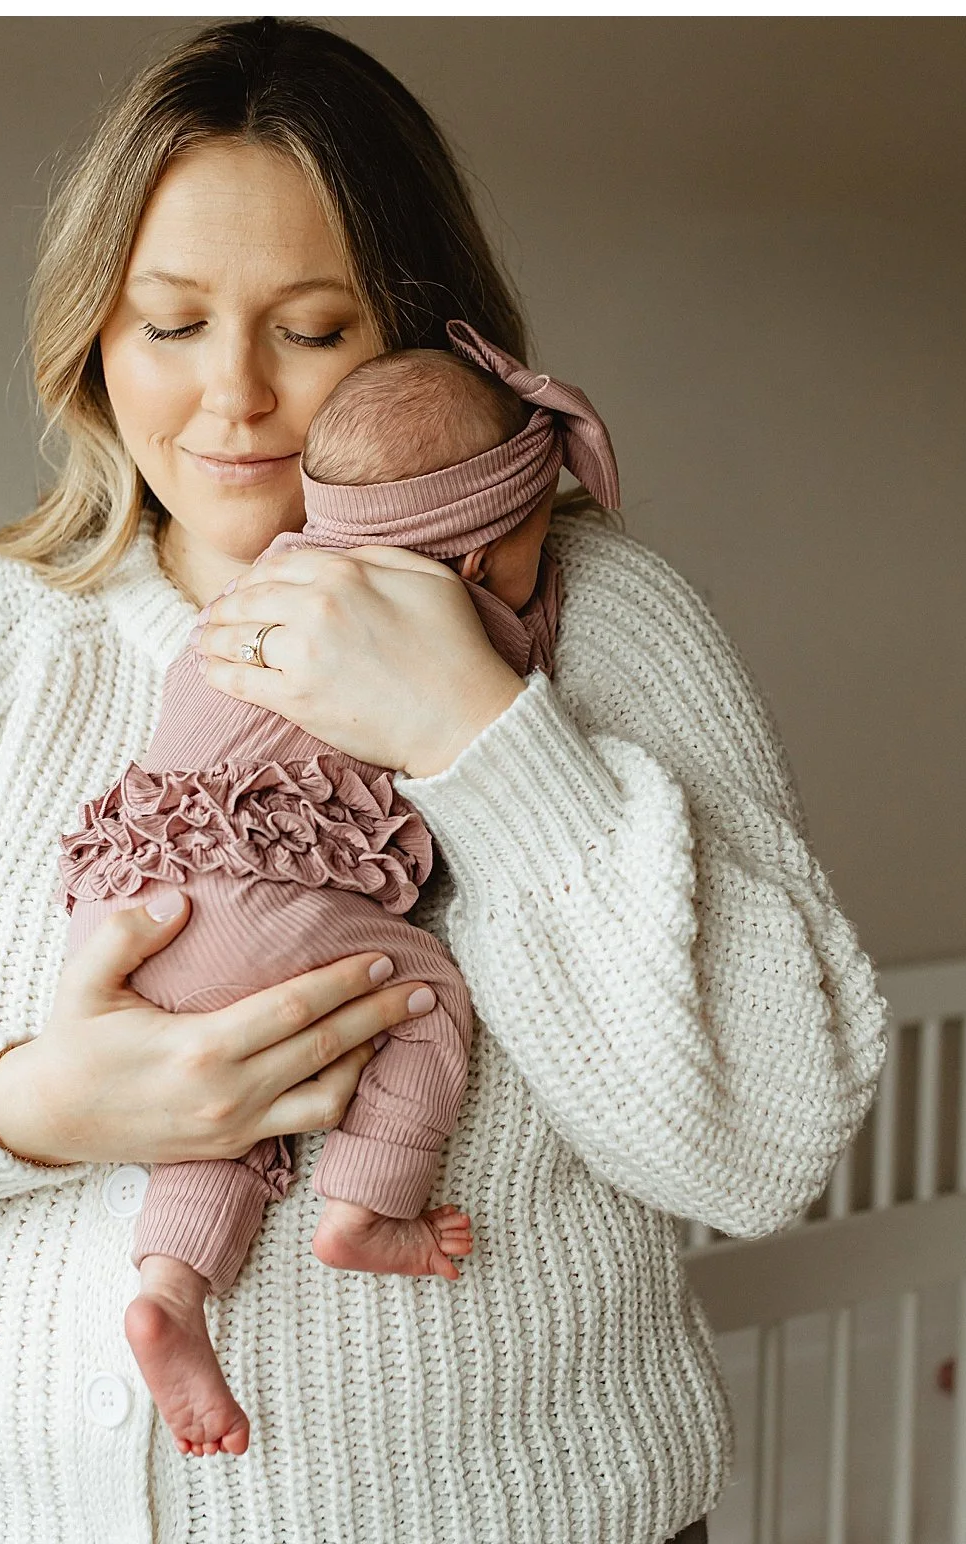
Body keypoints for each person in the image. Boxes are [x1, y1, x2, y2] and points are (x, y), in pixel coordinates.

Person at [0, 17, 887, 1544]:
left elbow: (762, 1139)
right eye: (167, 324)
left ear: (426, 343)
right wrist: (35, 1104)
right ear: (93, 335)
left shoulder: (600, 627)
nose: (232, 401)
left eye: (310, 330)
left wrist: (479, 727)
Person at [69, 326, 616, 1460]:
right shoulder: (448, 617)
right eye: (523, 554)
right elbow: (512, 676)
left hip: (132, 901)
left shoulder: (277, 577)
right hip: (258, 888)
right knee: (416, 992)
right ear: (469, 563)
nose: (536, 575)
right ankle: (369, 1205)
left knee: (215, 1109)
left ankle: (169, 1288)